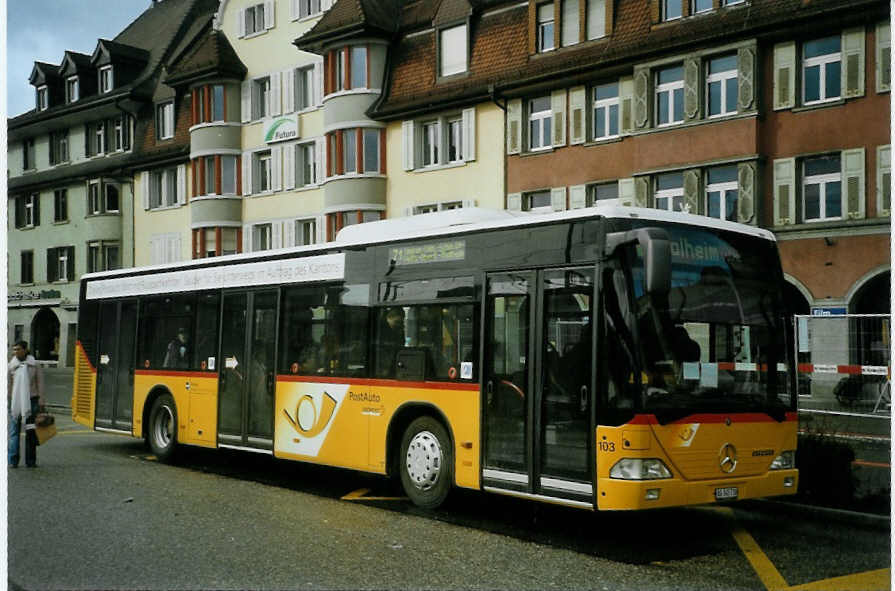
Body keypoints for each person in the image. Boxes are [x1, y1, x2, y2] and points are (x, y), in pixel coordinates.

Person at [8, 340, 45, 468]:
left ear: (25, 350)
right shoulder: (11, 366)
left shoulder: (34, 364)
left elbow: (40, 383)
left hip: (32, 401)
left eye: (18, 349)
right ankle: (13, 461)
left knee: (30, 432)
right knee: (14, 432)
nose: (15, 352)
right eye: (14, 349)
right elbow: (8, 385)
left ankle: (31, 461)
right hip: (15, 403)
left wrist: (41, 401)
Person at [377, 307, 406, 377]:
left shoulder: (399, 330)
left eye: (401, 322)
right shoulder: (380, 330)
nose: (399, 325)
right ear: (388, 318)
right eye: (396, 322)